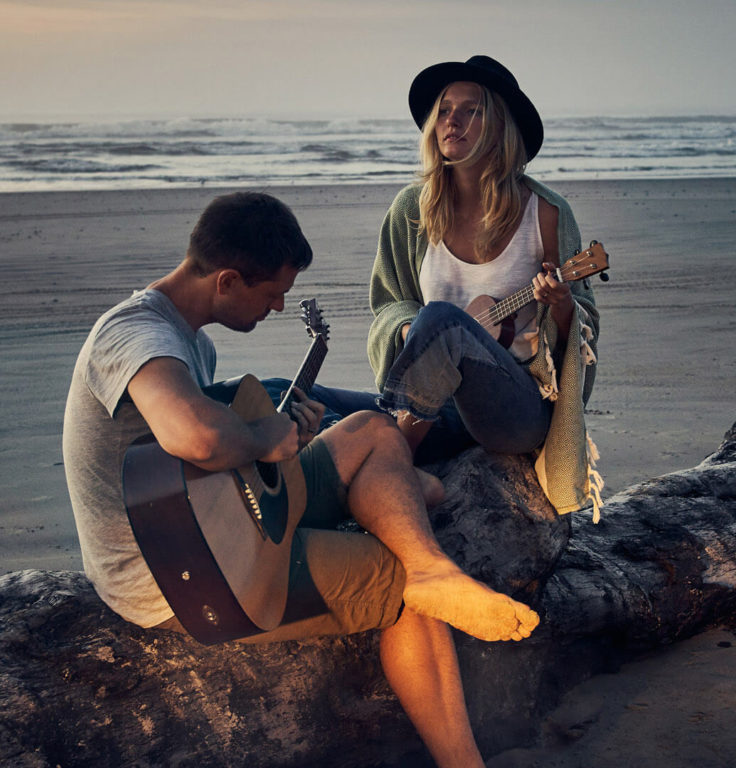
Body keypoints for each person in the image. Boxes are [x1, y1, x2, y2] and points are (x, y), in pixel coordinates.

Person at [62, 191, 540, 768]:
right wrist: (266, 439)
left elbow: (200, 463)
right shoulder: (136, 335)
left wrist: (286, 440)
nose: (281, 308)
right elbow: (197, 438)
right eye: (273, 294)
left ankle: (427, 565)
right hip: (177, 574)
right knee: (400, 588)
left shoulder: (194, 340)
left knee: (370, 429)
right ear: (228, 280)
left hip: (218, 518)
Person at [367, 55, 603, 518]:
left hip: (514, 409)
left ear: (499, 127)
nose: (450, 120)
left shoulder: (546, 214)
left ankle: (390, 462)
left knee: (443, 322)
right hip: (435, 405)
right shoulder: (413, 209)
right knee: (300, 398)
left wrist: (560, 307)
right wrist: (407, 331)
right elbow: (389, 303)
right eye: (445, 109)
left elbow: (583, 328)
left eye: (470, 110)